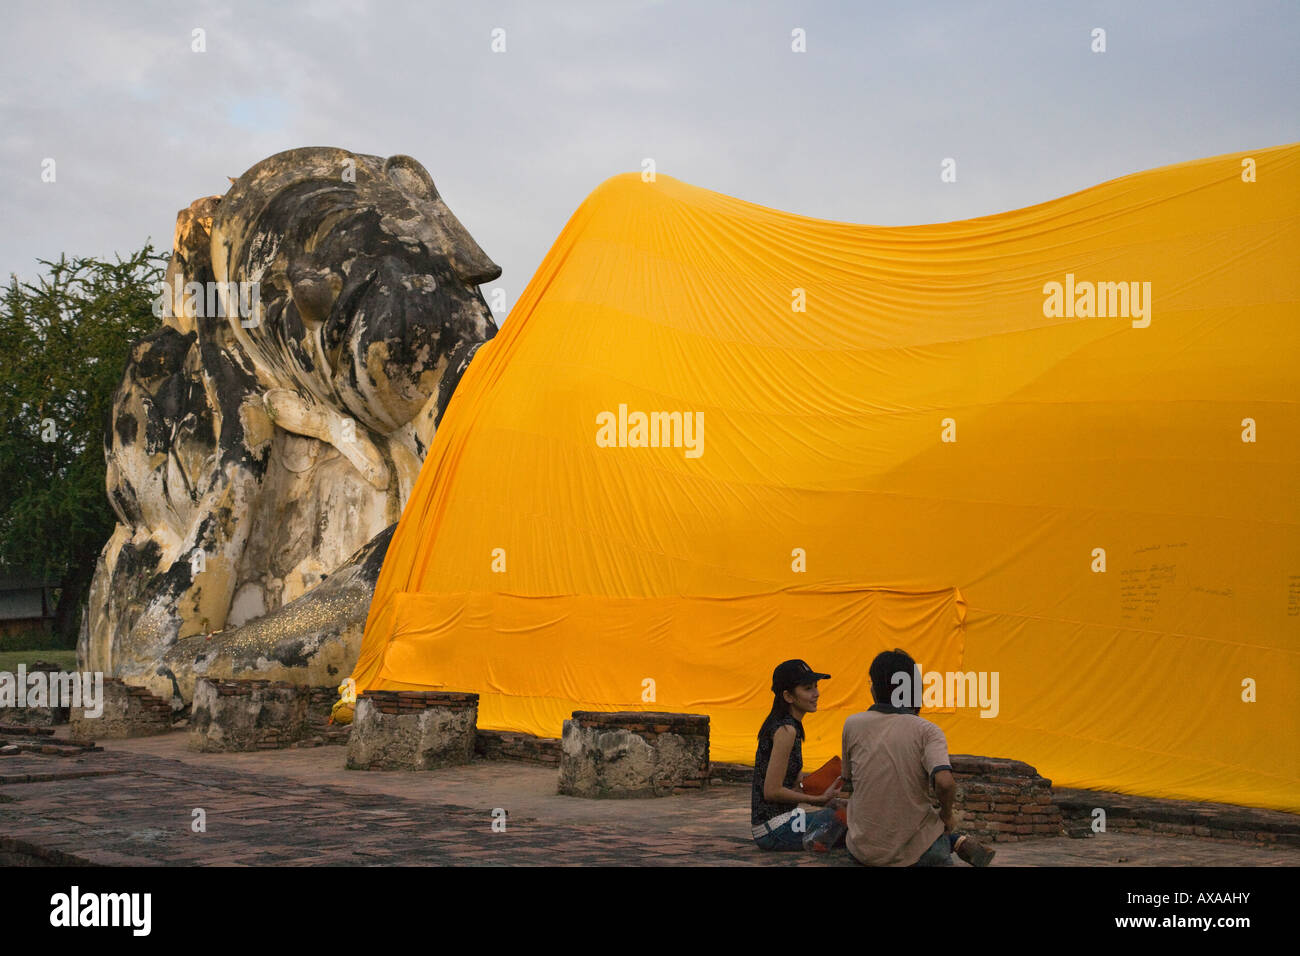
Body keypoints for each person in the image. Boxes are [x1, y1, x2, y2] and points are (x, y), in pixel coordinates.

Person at [840, 648, 995, 866]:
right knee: (931, 828)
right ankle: (957, 841)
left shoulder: (852, 724)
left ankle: (957, 842)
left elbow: (849, 784)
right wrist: (947, 815)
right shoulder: (927, 731)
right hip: (915, 854)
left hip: (861, 849)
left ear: (874, 689)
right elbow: (945, 783)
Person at [751, 659, 845, 850]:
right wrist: (817, 800)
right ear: (788, 696)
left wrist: (830, 798)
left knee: (850, 813)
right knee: (847, 820)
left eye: (816, 687)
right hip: (776, 830)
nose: (816, 693)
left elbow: (792, 788)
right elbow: (772, 791)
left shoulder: (791, 726)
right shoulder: (786, 730)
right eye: (808, 688)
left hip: (786, 822)